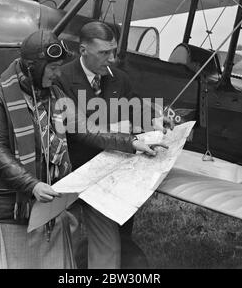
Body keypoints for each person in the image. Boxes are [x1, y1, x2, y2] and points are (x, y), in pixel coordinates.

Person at [0, 29, 163, 269]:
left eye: (59, 67)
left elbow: (87, 129)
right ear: (32, 67)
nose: (58, 73)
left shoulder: (55, 95)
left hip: (45, 205)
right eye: (52, 68)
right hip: (7, 212)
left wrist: (131, 142)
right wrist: (32, 185)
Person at [55, 21, 174, 269]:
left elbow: (135, 107)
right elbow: (83, 131)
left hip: (111, 175)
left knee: (112, 243)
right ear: (83, 50)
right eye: (104, 53)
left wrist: (155, 118)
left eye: (113, 51)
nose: (111, 58)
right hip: (73, 173)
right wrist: (130, 141)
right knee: (65, 244)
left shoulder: (119, 79)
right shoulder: (61, 79)